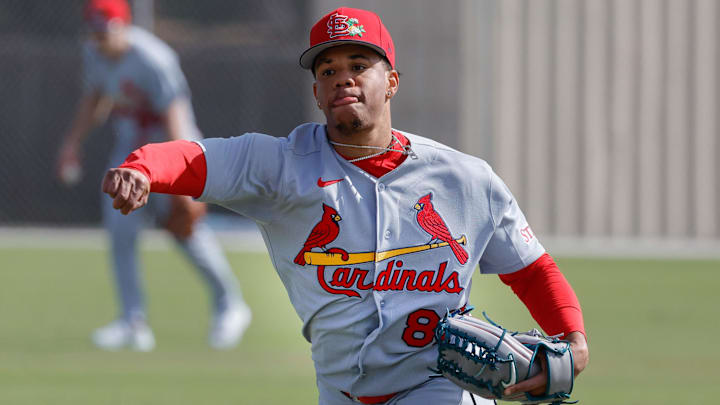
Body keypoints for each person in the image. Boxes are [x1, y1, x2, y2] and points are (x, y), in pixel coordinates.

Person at [101, 6, 589, 403]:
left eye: (359, 66)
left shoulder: (465, 179)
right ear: (316, 91)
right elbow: (198, 158)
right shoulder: (280, 165)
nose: (343, 79)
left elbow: (529, 269)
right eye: (329, 70)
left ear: (392, 81)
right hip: (339, 391)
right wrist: (142, 168)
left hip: (435, 386)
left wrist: (573, 339)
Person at [57, 0, 251, 351]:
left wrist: (182, 185)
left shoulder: (153, 59)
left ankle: (230, 304)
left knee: (185, 232)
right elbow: (94, 98)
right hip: (130, 149)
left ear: (124, 27)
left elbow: (175, 118)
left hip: (170, 147)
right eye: (95, 33)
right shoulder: (94, 52)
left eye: (106, 32)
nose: (100, 40)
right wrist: (72, 143)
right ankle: (133, 321)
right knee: (120, 231)